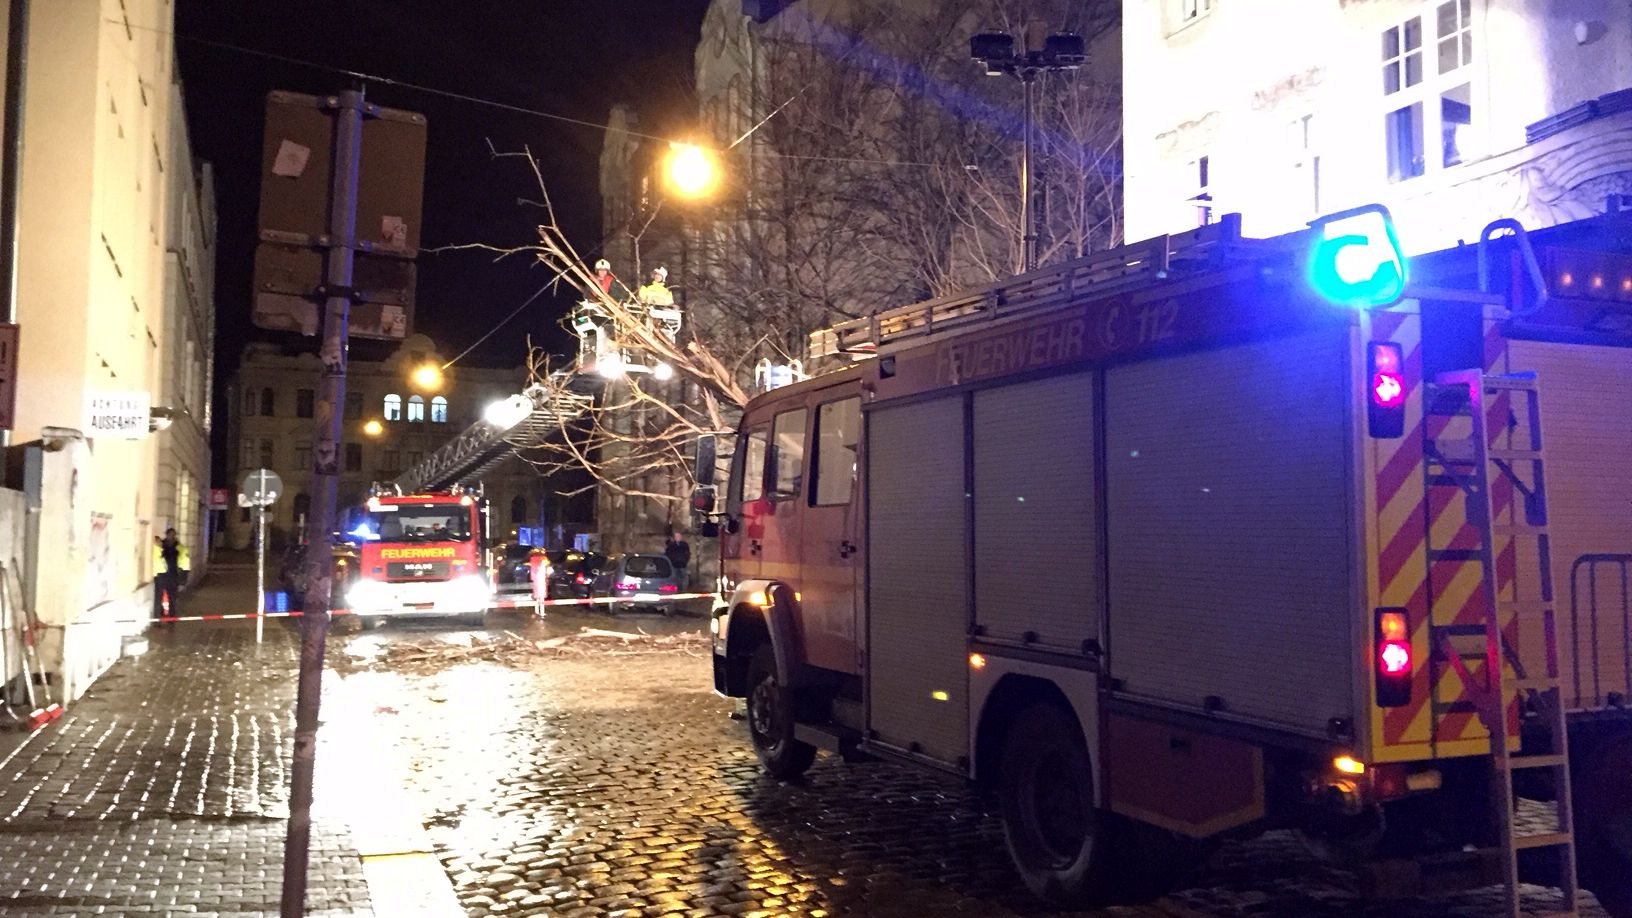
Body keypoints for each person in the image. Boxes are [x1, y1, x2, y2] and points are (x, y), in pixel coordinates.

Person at [153, 528, 182, 621]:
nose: (171, 536)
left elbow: (182, 561)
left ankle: (172, 616)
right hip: (162, 575)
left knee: (172, 597)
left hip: (173, 575)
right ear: (167, 535)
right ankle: (159, 616)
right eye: (170, 534)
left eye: (173, 535)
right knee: (159, 597)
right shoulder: (162, 545)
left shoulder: (178, 546)